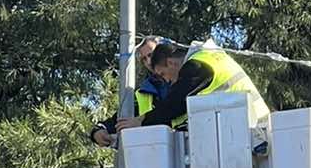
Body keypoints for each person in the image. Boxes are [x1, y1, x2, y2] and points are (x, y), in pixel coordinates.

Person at [115, 39, 270, 136]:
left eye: (163, 74)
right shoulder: (208, 57)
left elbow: (175, 104)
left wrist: (140, 121)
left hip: (253, 131)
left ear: (170, 63)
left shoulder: (196, 67)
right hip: (252, 126)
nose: (167, 80)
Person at [91, 36, 172, 148]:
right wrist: (98, 131)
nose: (149, 61)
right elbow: (119, 121)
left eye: (151, 55)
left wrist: (142, 120)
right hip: (157, 153)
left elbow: (174, 107)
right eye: (144, 59)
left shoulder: (183, 78)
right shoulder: (143, 92)